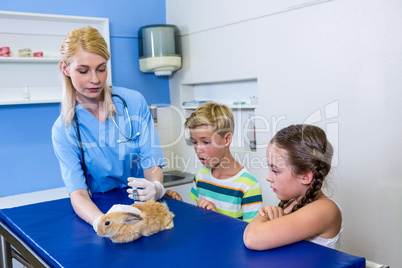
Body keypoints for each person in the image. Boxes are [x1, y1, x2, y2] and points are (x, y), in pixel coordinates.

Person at [52, 26, 165, 232]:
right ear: (66, 68)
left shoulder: (133, 102)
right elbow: (78, 193)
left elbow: (152, 163)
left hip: (142, 204)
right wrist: (102, 223)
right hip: (100, 207)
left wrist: (156, 187)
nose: (95, 79)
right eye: (83, 70)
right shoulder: (64, 129)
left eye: (101, 68)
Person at [243, 124, 343, 250]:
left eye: (275, 170)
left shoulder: (326, 209)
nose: (268, 177)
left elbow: (252, 238)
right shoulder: (291, 203)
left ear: (306, 176)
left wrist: (263, 217)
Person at [166, 102, 263, 222]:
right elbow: (200, 218)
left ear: (226, 139)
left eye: (206, 142)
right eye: (194, 142)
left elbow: (253, 235)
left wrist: (217, 218)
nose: (198, 150)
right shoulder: (201, 176)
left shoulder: (248, 186)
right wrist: (180, 205)